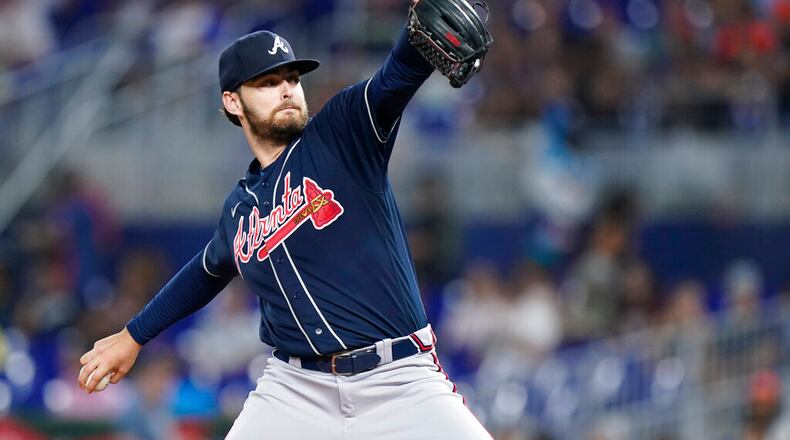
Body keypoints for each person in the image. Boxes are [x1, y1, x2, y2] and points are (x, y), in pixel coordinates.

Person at [77, 4, 493, 439]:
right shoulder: (240, 208)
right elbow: (207, 270)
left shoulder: (343, 134)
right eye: (268, 82)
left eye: (292, 79)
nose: (288, 90)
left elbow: (396, 75)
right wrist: (134, 336)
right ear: (232, 101)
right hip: (297, 389)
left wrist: (413, 40)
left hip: (398, 379)